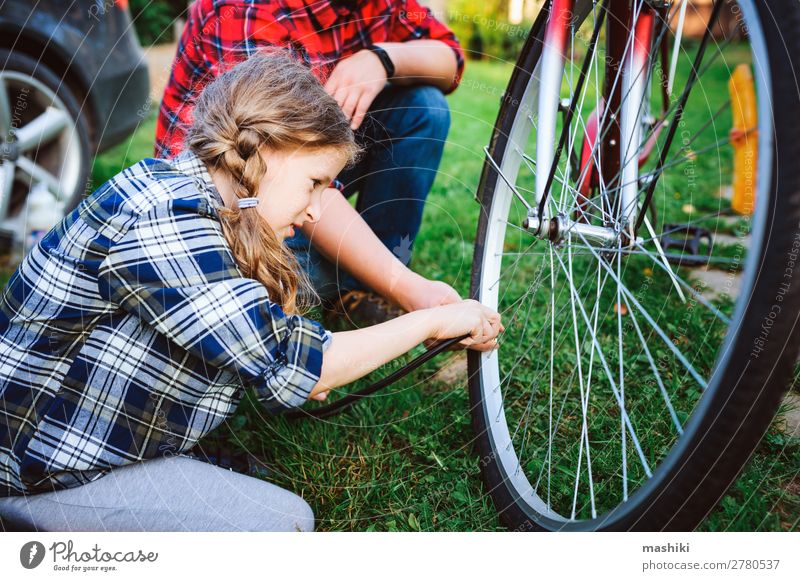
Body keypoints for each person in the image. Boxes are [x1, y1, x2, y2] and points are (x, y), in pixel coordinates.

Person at [0, 50, 502, 532]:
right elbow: (297, 362)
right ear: (262, 151)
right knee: (281, 525)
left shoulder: (190, 194)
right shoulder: (166, 222)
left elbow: (248, 335)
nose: (315, 212)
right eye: (314, 182)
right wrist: (432, 320)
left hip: (57, 437)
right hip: (32, 469)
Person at [155, 0, 466, 328]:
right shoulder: (247, 10)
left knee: (423, 106)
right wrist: (409, 288)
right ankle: (348, 276)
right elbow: (277, 171)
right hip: (236, 206)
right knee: (271, 282)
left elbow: (450, 57)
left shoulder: (383, 4)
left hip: (302, 180)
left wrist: (382, 59)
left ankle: (360, 289)